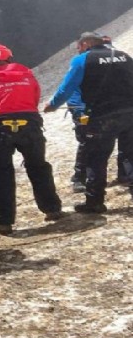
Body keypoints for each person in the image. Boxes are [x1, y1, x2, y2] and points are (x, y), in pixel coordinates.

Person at [0, 44, 63, 235]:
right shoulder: (27, 76)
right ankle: (52, 209)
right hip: (30, 126)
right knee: (38, 167)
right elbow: (34, 99)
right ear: (9, 58)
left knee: (1, 174)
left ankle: (3, 222)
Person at [44, 32, 133, 213]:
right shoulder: (124, 56)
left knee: (96, 158)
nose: (78, 50)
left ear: (86, 43)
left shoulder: (83, 60)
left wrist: (52, 105)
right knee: (131, 154)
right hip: (129, 113)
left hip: (102, 116)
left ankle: (95, 202)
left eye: (78, 46)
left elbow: (67, 88)